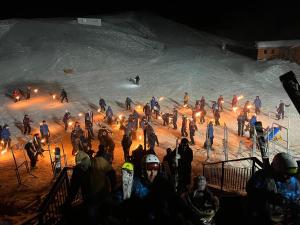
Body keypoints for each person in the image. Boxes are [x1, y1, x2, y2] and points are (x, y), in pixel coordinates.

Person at [246, 152, 300, 225]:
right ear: (278, 169)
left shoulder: (293, 181)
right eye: (286, 173)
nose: (288, 176)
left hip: (287, 216)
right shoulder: (263, 176)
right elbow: (251, 190)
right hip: (265, 216)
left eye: (291, 174)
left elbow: (297, 196)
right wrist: (269, 196)